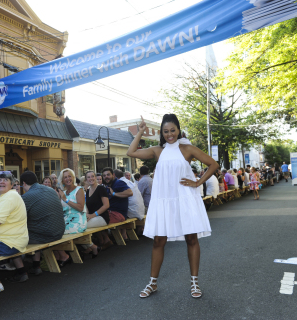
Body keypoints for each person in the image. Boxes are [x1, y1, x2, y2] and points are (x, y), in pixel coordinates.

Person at [127, 114, 218, 299]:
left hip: (185, 199)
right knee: (158, 241)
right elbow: (131, 152)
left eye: (172, 130)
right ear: (161, 132)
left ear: (178, 130)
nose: (169, 134)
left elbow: (213, 164)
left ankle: (194, 282)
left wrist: (198, 182)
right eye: (166, 131)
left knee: (191, 239)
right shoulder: (157, 151)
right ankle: (152, 283)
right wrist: (141, 131)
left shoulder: (187, 149)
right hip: (164, 200)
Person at [12, 171, 65, 279]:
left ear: (24, 183)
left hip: (46, 235)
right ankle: (36, 266)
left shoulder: (27, 197)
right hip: (59, 231)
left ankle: (21, 272)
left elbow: (17, 220)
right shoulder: (51, 190)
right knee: (36, 226)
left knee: (12, 238)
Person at [54, 168, 86, 266]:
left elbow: (80, 208)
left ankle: (64, 256)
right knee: (51, 230)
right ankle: (58, 256)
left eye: (69, 176)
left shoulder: (79, 190)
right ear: (62, 180)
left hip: (78, 221)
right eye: (65, 177)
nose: (68, 179)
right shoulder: (63, 192)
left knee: (55, 233)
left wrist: (65, 199)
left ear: (73, 177)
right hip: (66, 220)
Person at [102, 167, 133, 240]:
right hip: (112, 213)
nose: (106, 177)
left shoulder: (118, 183)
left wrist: (114, 194)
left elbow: (130, 192)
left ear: (113, 175)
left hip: (118, 214)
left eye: (108, 175)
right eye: (104, 175)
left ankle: (106, 240)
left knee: (98, 220)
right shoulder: (108, 186)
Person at [85, 171, 113, 249]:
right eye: (88, 177)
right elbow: (87, 206)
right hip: (93, 217)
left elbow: (106, 205)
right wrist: (87, 215)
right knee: (82, 222)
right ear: (86, 179)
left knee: (82, 226)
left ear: (95, 178)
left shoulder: (100, 188)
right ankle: (103, 241)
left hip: (102, 217)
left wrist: (92, 215)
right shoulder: (87, 190)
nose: (91, 178)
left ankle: (90, 247)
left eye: (92, 176)